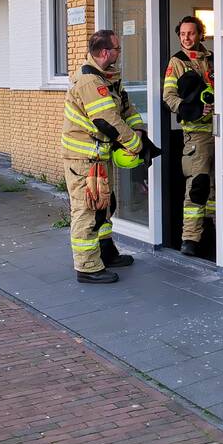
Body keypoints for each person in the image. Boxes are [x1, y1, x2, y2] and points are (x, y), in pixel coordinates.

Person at [61, 30, 145, 283]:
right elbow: (106, 119)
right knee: (86, 210)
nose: (120, 53)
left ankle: (106, 252)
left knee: (104, 205)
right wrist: (134, 143)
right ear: (106, 52)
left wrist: (139, 129)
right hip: (83, 159)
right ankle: (87, 267)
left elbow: (126, 108)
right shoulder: (90, 81)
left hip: (98, 155)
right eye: (117, 49)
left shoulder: (108, 77)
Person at [163, 15, 215, 256]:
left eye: (191, 33)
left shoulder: (212, 58)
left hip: (220, 130)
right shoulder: (177, 62)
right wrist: (193, 109)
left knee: (217, 186)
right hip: (196, 134)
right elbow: (169, 98)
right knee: (198, 185)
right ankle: (190, 239)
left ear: (200, 34)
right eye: (182, 34)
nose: (186, 38)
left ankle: (215, 232)